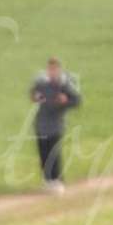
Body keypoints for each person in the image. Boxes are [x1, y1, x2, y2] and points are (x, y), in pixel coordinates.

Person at [29, 57, 81, 194]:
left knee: (54, 154)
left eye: (54, 69)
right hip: (41, 124)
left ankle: (57, 182)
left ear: (58, 70)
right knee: (43, 154)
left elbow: (76, 101)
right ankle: (47, 181)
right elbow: (33, 94)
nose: (51, 72)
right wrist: (35, 96)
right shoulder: (41, 83)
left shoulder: (65, 84)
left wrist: (65, 101)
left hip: (56, 125)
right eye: (49, 69)